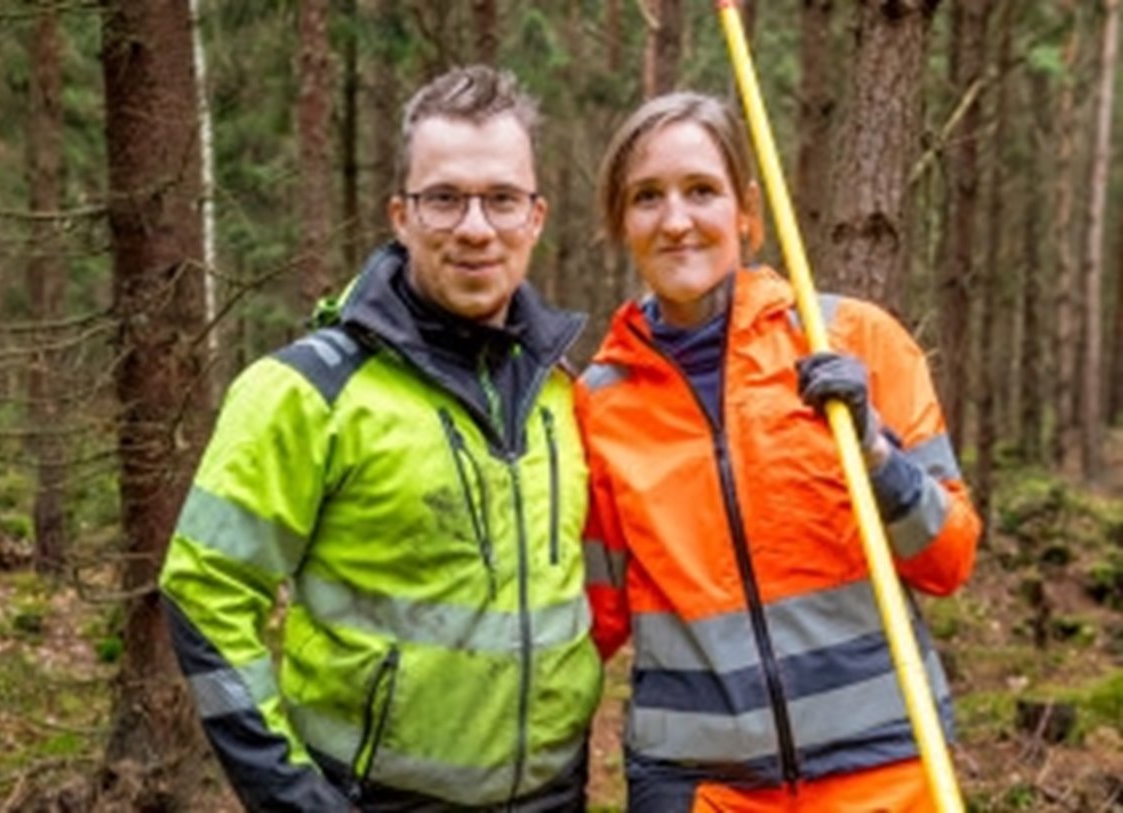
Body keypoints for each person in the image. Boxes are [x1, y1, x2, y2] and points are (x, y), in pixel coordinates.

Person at [159, 65, 603, 812]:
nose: (474, 227)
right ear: (400, 215)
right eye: (444, 199)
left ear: (536, 217)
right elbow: (203, 590)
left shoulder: (562, 393)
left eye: (501, 199)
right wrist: (290, 794)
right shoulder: (305, 391)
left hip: (553, 796)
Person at [578, 91, 982, 812]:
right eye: (647, 197)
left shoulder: (855, 341)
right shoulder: (599, 403)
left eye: (701, 190)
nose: (676, 220)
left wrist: (877, 455)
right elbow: (589, 622)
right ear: (621, 222)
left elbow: (948, 560)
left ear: (747, 211)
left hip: (883, 768)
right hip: (700, 785)